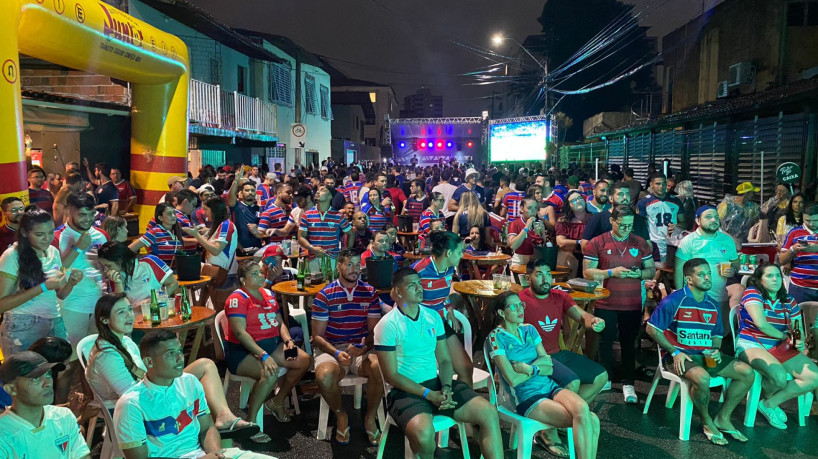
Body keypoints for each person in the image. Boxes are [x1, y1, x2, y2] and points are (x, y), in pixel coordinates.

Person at [86, 294, 258, 438]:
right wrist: (176, 388)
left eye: (129, 309)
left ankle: (223, 417)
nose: (129, 316)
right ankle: (209, 432)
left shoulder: (123, 340)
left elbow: (144, 375)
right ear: (105, 320)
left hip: (150, 388)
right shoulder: (107, 356)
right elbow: (132, 396)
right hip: (133, 411)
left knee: (205, 365)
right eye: (121, 312)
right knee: (196, 395)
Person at [374, 268, 503, 459]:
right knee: (424, 435)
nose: (419, 288)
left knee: (489, 412)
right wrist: (428, 394)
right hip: (405, 392)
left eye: (419, 283)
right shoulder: (387, 325)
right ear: (399, 292)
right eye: (412, 285)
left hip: (436, 384)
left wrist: (447, 387)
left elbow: (444, 360)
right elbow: (391, 375)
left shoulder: (432, 316)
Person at [113, 330, 275, 458]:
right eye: (170, 354)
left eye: (179, 351)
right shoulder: (131, 404)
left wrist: (215, 454)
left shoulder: (190, 382)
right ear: (149, 362)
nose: (180, 358)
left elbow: (207, 428)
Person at [647, 258, 754, 444]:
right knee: (703, 378)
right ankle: (706, 421)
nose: (707, 277)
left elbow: (717, 334)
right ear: (689, 279)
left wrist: (715, 350)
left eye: (709, 274)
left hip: (705, 356)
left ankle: (723, 418)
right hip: (679, 356)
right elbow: (651, 329)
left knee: (747, 373)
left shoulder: (712, 304)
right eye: (702, 274)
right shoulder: (674, 300)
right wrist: (674, 352)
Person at [489, 291, 600, 459]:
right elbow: (512, 380)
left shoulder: (529, 329)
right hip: (527, 397)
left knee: (585, 410)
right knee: (591, 420)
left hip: (549, 387)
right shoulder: (496, 338)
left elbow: (549, 367)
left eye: (521, 305)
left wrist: (528, 369)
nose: (520, 309)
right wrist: (539, 366)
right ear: (501, 313)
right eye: (514, 306)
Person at [223, 260, 310, 434]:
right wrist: (263, 355)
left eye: (260, 272)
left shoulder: (268, 294)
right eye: (254, 274)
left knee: (303, 360)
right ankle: (251, 423)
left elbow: (280, 324)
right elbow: (240, 333)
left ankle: (277, 402)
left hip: (271, 346)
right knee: (270, 373)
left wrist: (287, 341)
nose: (260, 276)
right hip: (243, 352)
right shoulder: (237, 298)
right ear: (242, 280)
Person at [583, 205, 655, 403]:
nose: (625, 229)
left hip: (632, 302)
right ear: (612, 221)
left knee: (629, 343)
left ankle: (628, 382)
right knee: (604, 340)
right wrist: (610, 273)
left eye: (629, 225)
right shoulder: (597, 242)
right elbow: (587, 271)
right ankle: (605, 378)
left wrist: (639, 273)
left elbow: (650, 269)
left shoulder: (640, 242)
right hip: (605, 300)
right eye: (622, 225)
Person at [312, 249, 384, 445]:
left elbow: (374, 331)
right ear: (339, 266)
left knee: (379, 366)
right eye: (349, 264)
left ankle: (369, 418)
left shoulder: (369, 292)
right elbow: (316, 336)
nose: (355, 269)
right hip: (332, 349)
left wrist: (364, 347)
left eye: (357, 264)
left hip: (360, 349)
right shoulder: (324, 295)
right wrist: (336, 352)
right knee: (325, 375)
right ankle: (341, 415)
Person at [736, 263, 818, 429]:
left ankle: (769, 403)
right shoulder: (753, 293)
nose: (775, 279)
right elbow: (761, 324)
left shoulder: (789, 300)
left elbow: (797, 329)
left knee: (814, 378)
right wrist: (785, 336)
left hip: (780, 346)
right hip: (752, 343)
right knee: (779, 378)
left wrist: (798, 340)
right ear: (759, 280)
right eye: (769, 276)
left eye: (778, 276)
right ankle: (765, 397)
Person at [521, 260, 608, 402]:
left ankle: (564, 417)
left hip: (557, 354)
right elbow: (505, 334)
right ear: (528, 278)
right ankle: (564, 416)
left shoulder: (559, 296)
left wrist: (594, 321)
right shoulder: (520, 300)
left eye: (548, 274)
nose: (545, 279)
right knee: (572, 383)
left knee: (601, 376)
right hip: (535, 358)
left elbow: (583, 316)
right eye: (539, 275)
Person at [0, 209, 79, 356]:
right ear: (24, 233)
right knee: (24, 375)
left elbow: (60, 294)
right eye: (39, 234)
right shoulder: (11, 256)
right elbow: (2, 304)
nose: (47, 238)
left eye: (50, 232)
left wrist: (71, 283)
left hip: (54, 319)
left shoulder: (53, 252)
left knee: (57, 370)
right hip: (22, 324)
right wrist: (42, 287)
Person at [411, 231, 474, 386]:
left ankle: (464, 406)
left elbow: (443, 294)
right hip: (418, 328)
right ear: (449, 253)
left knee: (466, 368)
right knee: (428, 376)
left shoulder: (450, 269)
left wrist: (449, 309)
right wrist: (409, 312)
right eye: (459, 252)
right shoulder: (419, 271)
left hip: (440, 323)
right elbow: (398, 298)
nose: (462, 255)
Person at [0, 351, 90, 458]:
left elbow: (82, 456)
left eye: (48, 375)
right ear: (11, 389)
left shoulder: (64, 416)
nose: (47, 383)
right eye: (36, 379)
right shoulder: (3, 434)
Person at [53, 192, 109, 351]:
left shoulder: (102, 235)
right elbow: (53, 273)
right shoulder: (57, 237)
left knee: (98, 355)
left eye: (91, 214)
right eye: (82, 214)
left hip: (100, 304)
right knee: (71, 357)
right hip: (71, 305)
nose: (88, 219)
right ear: (69, 211)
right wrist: (77, 248)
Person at [675, 206, 741, 319]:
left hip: (720, 297)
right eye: (708, 217)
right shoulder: (689, 241)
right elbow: (679, 269)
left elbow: (736, 264)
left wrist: (732, 270)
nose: (714, 220)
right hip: (696, 297)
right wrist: (681, 296)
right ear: (698, 220)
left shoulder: (727, 240)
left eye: (716, 217)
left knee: (720, 334)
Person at [182, 197, 237, 308]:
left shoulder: (226, 225)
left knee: (221, 310)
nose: (203, 212)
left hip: (225, 275)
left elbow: (216, 250)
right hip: (215, 272)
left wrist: (196, 235)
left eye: (206, 209)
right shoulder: (220, 225)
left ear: (214, 210)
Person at [98, 241, 178, 305]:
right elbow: (121, 305)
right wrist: (118, 283)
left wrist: (152, 301)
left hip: (157, 313)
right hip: (133, 319)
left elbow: (173, 284)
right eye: (103, 266)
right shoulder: (114, 277)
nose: (105, 270)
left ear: (120, 260)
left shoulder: (150, 262)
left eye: (108, 265)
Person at [299, 184, 354, 271]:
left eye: (322, 190)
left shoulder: (338, 216)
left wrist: (346, 254)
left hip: (333, 260)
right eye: (318, 190)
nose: (318, 192)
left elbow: (351, 233)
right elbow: (300, 237)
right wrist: (311, 248)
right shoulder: (307, 215)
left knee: (332, 284)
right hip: (312, 260)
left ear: (330, 196)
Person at [636, 173, 682, 264]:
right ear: (651, 185)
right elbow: (640, 225)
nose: (661, 186)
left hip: (673, 244)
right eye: (658, 184)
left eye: (664, 183)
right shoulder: (644, 202)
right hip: (654, 244)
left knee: (670, 272)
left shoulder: (676, 201)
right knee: (654, 272)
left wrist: (677, 227)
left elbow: (685, 222)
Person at [779, 202, 818, 303]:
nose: (811, 224)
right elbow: (782, 260)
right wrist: (793, 249)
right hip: (799, 286)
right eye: (807, 220)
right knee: (796, 317)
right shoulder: (794, 232)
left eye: (815, 220)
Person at [227, 168, 263, 251]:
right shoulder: (236, 206)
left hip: (257, 248)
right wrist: (236, 181)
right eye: (247, 190)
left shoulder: (259, 209)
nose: (250, 192)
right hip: (241, 249)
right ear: (241, 193)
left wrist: (258, 229)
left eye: (253, 190)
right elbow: (231, 195)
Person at [556, 190, 590, 278]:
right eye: (574, 200)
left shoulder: (594, 218)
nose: (578, 201)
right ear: (569, 205)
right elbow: (561, 242)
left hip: (589, 257)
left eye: (580, 198)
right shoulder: (563, 221)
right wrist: (579, 242)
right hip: (570, 256)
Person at [507, 197, 548, 267]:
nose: (533, 211)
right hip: (520, 261)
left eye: (535, 208)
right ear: (522, 209)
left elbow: (547, 247)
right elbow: (513, 246)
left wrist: (543, 234)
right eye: (529, 208)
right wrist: (526, 228)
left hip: (537, 261)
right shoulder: (515, 224)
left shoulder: (539, 224)